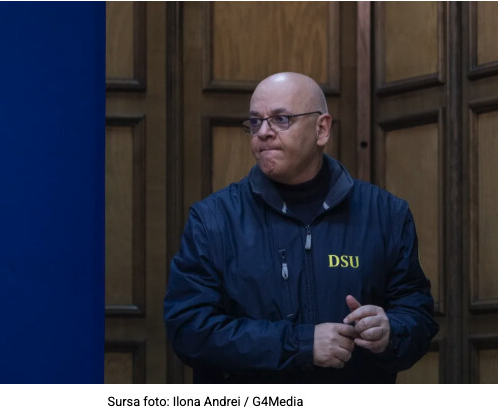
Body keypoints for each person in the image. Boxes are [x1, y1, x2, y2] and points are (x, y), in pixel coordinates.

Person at [164, 72, 438, 383]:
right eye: (255, 122)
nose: (263, 132)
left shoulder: (386, 214)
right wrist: (302, 345)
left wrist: (391, 331)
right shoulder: (212, 219)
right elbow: (189, 329)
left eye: (280, 119)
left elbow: (418, 316)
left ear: (322, 129)